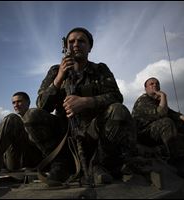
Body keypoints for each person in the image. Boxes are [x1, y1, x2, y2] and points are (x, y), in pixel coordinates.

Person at [23, 27, 136, 186]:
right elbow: (42, 105)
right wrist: (59, 77)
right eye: (71, 41)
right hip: (63, 133)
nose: (76, 44)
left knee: (118, 110)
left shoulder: (100, 69)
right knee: (30, 116)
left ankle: (99, 164)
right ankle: (61, 164)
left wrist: (86, 102)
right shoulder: (55, 71)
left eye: (81, 41)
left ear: (90, 47)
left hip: (94, 131)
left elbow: (116, 97)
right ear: (66, 46)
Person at [132, 77, 184, 177]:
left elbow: (176, 115)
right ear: (146, 88)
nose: (155, 85)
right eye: (151, 84)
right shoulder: (143, 100)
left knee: (179, 123)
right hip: (142, 136)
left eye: (157, 83)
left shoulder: (158, 102)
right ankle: (175, 160)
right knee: (167, 122)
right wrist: (163, 95)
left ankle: (180, 158)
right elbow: (161, 113)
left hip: (153, 134)